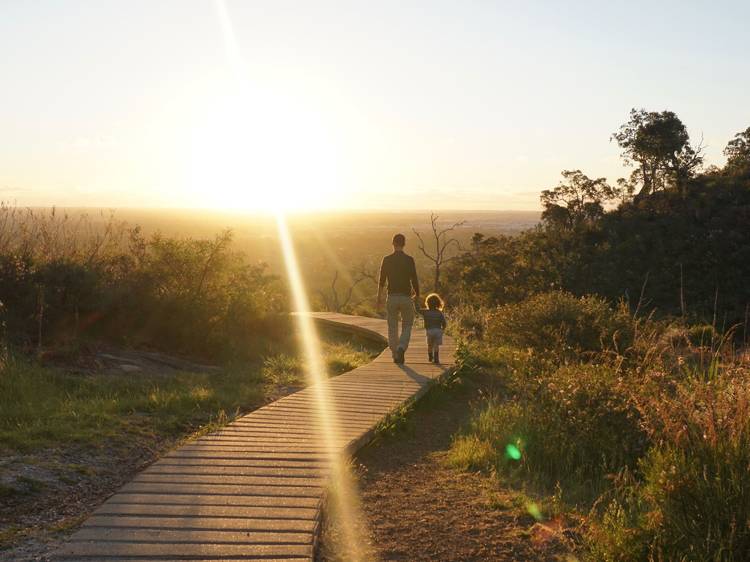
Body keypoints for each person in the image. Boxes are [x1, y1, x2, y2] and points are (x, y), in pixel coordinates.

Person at [376, 233, 420, 364]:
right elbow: (415, 280)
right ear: (404, 244)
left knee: (392, 326)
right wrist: (417, 295)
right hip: (406, 297)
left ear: (393, 243)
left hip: (392, 297)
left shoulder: (387, 259)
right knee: (407, 325)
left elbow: (382, 281)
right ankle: (401, 348)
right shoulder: (409, 260)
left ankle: (395, 353)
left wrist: (378, 297)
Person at [418, 293, 447, 363]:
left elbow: (417, 310)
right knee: (436, 345)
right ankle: (436, 358)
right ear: (438, 303)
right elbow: (444, 322)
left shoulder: (425, 312)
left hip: (429, 331)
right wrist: (443, 329)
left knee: (430, 345)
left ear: (427, 303)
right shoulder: (440, 313)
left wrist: (416, 301)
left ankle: (430, 356)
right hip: (438, 330)